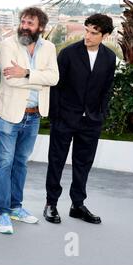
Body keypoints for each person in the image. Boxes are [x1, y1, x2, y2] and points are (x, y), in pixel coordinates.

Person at [44, 14, 116, 225]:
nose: (88, 36)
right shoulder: (68, 54)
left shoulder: (109, 58)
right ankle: (51, 204)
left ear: (105, 35)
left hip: (91, 121)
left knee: (83, 164)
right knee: (56, 161)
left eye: (94, 33)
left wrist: (101, 114)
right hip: (65, 118)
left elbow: (107, 88)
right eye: (87, 30)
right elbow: (56, 86)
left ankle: (77, 205)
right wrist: (56, 116)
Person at [0, 7, 59, 234]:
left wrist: (27, 73)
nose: (24, 26)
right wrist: (38, 78)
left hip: (33, 115)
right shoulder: (7, 45)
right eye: (22, 21)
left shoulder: (49, 48)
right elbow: (10, 79)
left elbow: (54, 78)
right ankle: (2, 212)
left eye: (29, 23)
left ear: (40, 27)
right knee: (4, 163)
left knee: (21, 163)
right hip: (10, 114)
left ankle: (16, 207)